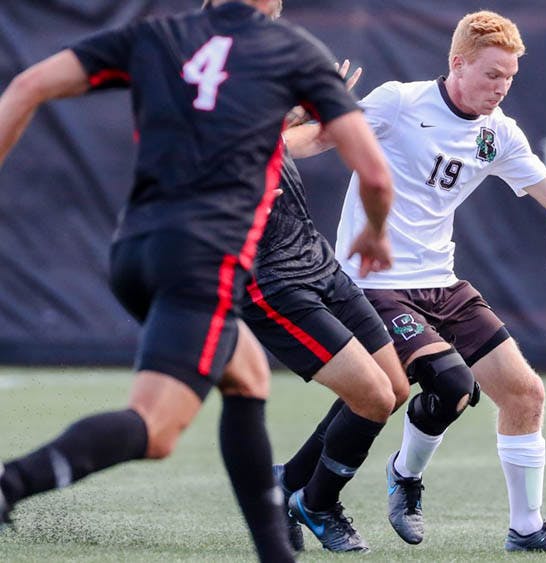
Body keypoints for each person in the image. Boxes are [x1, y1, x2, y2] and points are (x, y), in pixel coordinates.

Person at [0, 1, 392, 560]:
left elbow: (27, 85)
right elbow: (374, 175)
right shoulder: (294, 51)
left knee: (248, 376)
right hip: (202, 263)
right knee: (156, 430)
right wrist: (375, 233)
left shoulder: (157, 35)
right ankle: (11, 481)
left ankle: (275, 553)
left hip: (135, 250)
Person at [283, 10, 546, 553]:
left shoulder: (499, 134)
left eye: (511, 78)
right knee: (446, 386)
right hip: (375, 282)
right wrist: (277, 131)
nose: (501, 88)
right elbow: (312, 143)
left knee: (524, 394)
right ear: (457, 64)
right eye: (492, 74)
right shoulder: (400, 102)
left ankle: (525, 530)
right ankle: (376, 485)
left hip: (441, 282)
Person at [243, 67, 408, 552]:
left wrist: (303, 109)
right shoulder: (202, 119)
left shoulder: (250, 106)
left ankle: (285, 484)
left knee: (393, 389)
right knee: (373, 398)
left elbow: (290, 135)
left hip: (319, 263)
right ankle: (316, 503)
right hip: (274, 284)